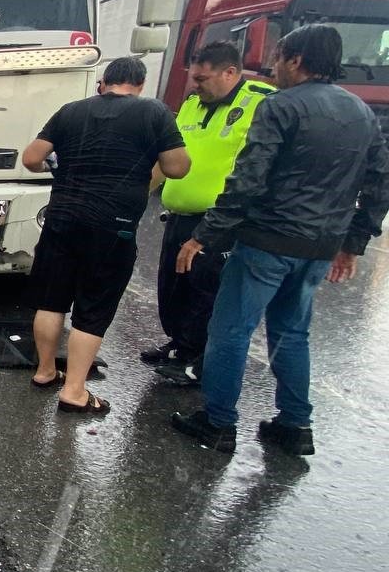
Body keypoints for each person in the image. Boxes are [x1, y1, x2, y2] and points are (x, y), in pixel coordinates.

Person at [171, 24, 389, 455]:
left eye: (277, 59)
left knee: (230, 330)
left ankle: (218, 422)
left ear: (296, 61)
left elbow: (248, 179)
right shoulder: (360, 112)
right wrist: (352, 242)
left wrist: (204, 235)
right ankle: (295, 425)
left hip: (268, 240)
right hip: (320, 246)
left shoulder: (280, 107)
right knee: (292, 333)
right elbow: (380, 181)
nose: (273, 69)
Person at [22, 57, 190, 413]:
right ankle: (74, 391)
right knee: (93, 308)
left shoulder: (71, 111)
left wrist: (56, 166)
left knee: (51, 300)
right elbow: (177, 167)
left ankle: (45, 371)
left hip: (61, 217)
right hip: (112, 225)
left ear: (104, 82)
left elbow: (32, 158)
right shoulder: (154, 112)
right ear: (140, 84)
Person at [144, 41, 276, 386]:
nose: (196, 85)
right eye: (194, 78)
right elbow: (169, 156)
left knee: (205, 292)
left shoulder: (261, 103)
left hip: (219, 221)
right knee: (173, 287)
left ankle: (196, 358)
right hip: (179, 215)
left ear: (230, 72)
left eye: (203, 79)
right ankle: (179, 344)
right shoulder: (192, 104)